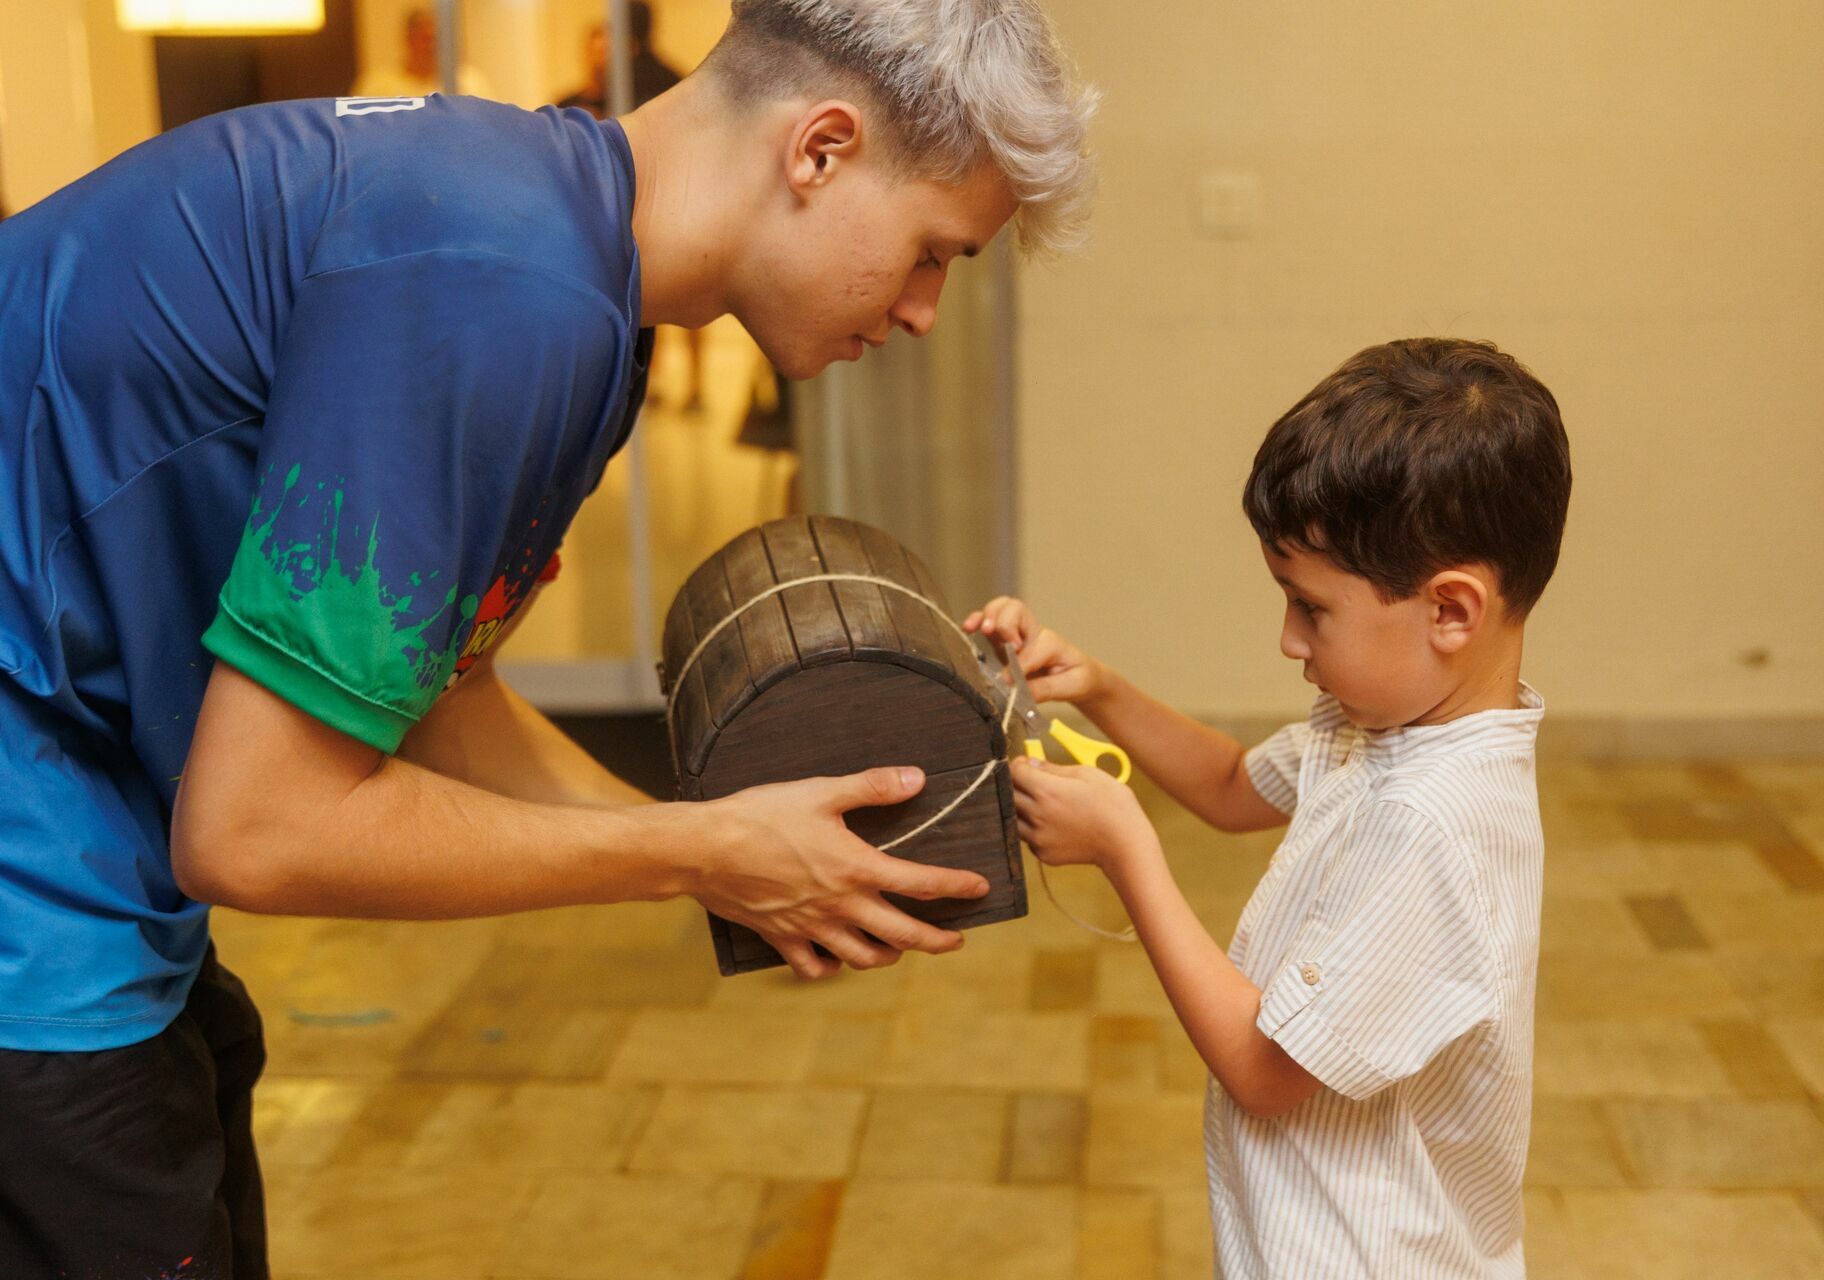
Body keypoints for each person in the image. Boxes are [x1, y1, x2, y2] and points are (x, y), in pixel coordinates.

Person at [0, 0, 1095, 1274]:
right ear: (820, 149)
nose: (923, 310)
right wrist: (699, 850)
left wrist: (725, 863)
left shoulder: (562, 265)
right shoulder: (502, 287)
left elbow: (439, 695)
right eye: (933, 252)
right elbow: (258, 827)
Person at [971, 338, 1572, 1279]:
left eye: (1311, 607)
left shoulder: (1433, 827)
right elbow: (1228, 786)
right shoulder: (1374, 727)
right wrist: (1097, 687)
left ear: (1451, 611)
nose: (1288, 639)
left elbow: (1262, 1071)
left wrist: (1127, 851)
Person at [557, 3, 711, 410]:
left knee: (652, 299)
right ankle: (681, 384)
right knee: (677, 300)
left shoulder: (626, 80)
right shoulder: (674, 79)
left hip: (641, 203)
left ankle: (669, 383)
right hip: (674, 200)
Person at [351, 5, 495, 100]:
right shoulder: (378, 87)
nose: (432, 46)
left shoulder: (470, 81)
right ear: (408, 39)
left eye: (438, 39)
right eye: (426, 38)